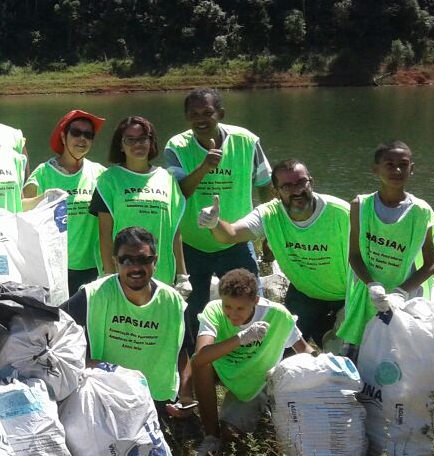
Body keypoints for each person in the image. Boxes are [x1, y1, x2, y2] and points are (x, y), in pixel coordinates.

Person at [165, 88, 271, 351]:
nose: (201, 119)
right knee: (193, 308)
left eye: (207, 113)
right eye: (194, 114)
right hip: (193, 243)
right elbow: (181, 192)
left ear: (220, 114)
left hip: (235, 241)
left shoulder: (246, 141)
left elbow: (266, 184)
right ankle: (194, 362)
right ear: (187, 118)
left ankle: (252, 355)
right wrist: (204, 167)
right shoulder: (176, 146)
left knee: (249, 301)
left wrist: (269, 235)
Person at [202, 160, 349, 345]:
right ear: (275, 192)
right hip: (304, 293)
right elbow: (230, 234)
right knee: (281, 349)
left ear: (311, 182)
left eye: (301, 183)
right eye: (287, 186)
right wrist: (214, 222)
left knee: (347, 354)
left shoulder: (341, 213)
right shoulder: (268, 214)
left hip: (346, 296)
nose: (296, 191)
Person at [59, 227, 192, 416]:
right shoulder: (93, 295)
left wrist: (186, 394)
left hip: (154, 399)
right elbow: (55, 324)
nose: (136, 268)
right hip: (105, 395)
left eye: (144, 260)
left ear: (155, 261)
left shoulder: (174, 302)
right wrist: (84, 362)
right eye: (126, 260)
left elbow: (182, 351)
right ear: (115, 261)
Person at [190, 268, 313, 456]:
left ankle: (262, 411)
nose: (232, 314)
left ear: (255, 302)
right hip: (223, 368)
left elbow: (304, 349)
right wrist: (241, 338)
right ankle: (210, 436)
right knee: (201, 365)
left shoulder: (277, 315)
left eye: (240, 308)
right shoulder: (214, 309)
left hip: (254, 379)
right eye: (227, 306)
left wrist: (325, 367)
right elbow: (199, 358)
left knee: (231, 435)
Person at [335, 140, 434, 351]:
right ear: (375, 169)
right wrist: (372, 285)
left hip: (404, 299)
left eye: (404, 164)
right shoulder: (361, 206)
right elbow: (354, 255)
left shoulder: (421, 212)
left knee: (397, 357)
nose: (397, 170)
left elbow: (430, 264)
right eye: (389, 164)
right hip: (366, 295)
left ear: (412, 169)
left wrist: (401, 292)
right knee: (358, 352)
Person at [90, 116, 189, 289]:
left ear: (151, 142)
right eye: (130, 139)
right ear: (120, 145)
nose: (138, 144)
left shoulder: (167, 179)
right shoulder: (109, 180)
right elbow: (104, 234)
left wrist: (182, 275)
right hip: (123, 274)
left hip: (161, 274)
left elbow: (174, 232)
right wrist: (108, 273)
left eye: (143, 138)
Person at [24, 109, 107, 294]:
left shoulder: (100, 174)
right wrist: (45, 197)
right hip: (54, 269)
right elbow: (21, 211)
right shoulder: (43, 173)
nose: (82, 139)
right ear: (63, 136)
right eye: (76, 133)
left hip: (93, 266)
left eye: (88, 135)